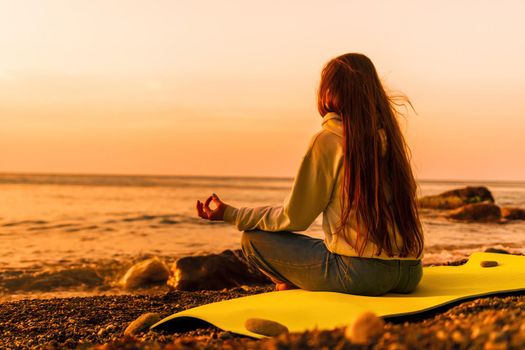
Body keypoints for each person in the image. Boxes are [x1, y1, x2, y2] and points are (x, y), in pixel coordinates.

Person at [196, 53, 424, 296]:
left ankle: (296, 282)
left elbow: (295, 217)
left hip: (362, 277)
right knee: (325, 246)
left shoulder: (328, 141)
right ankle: (303, 281)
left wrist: (231, 214)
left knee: (253, 239)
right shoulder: (391, 140)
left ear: (328, 93)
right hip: (410, 273)